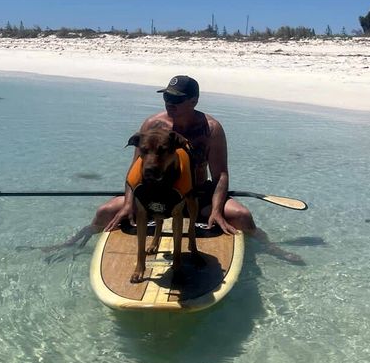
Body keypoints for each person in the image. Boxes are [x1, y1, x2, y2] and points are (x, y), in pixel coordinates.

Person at [43, 75, 302, 262]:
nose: (170, 102)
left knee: (242, 216)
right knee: (104, 212)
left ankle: (270, 247)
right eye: (167, 96)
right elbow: (134, 170)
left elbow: (220, 174)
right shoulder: (152, 124)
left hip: (195, 194)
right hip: (152, 192)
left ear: (194, 100)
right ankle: (72, 244)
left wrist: (217, 210)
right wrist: (128, 204)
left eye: (177, 99)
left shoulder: (210, 129)